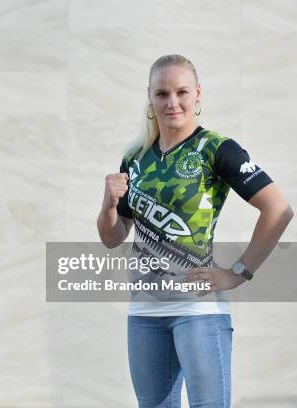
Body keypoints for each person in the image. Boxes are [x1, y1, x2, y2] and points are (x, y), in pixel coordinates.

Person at [96, 54, 293, 407]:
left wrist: (238, 273)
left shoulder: (216, 149)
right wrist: (108, 204)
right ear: (150, 98)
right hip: (144, 312)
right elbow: (112, 238)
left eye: (182, 92)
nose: (172, 102)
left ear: (197, 94)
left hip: (198, 311)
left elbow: (278, 209)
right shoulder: (135, 158)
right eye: (162, 93)